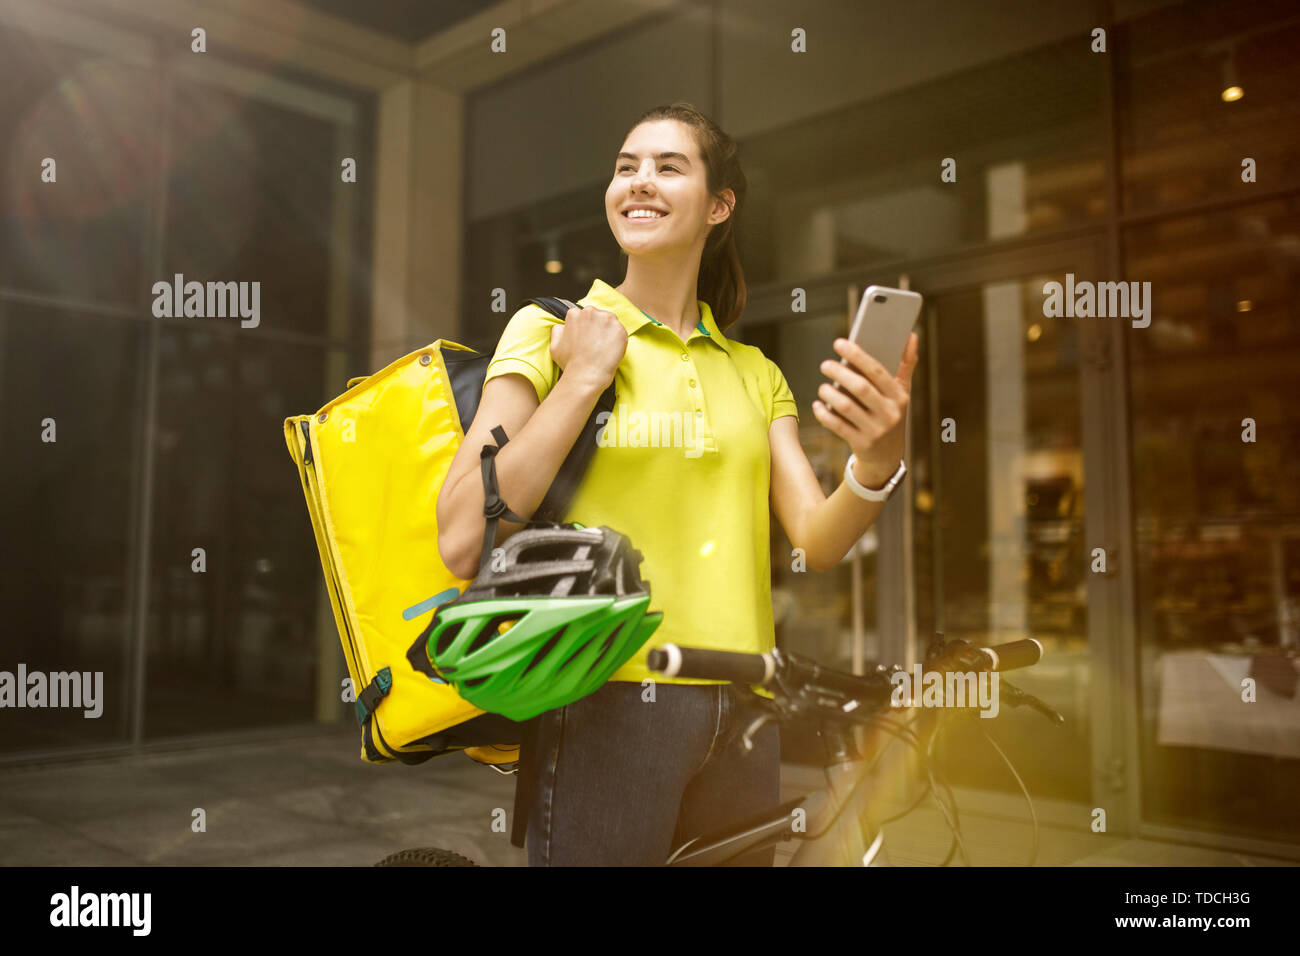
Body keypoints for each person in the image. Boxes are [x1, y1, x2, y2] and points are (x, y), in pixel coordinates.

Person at [436, 102, 919, 866]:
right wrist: (583, 375)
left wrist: (880, 454)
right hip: (609, 694)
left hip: (748, 704)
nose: (639, 182)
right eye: (626, 167)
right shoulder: (552, 329)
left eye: (668, 166)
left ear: (719, 206)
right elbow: (464, 530)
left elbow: (819, 541)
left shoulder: (753, 373)